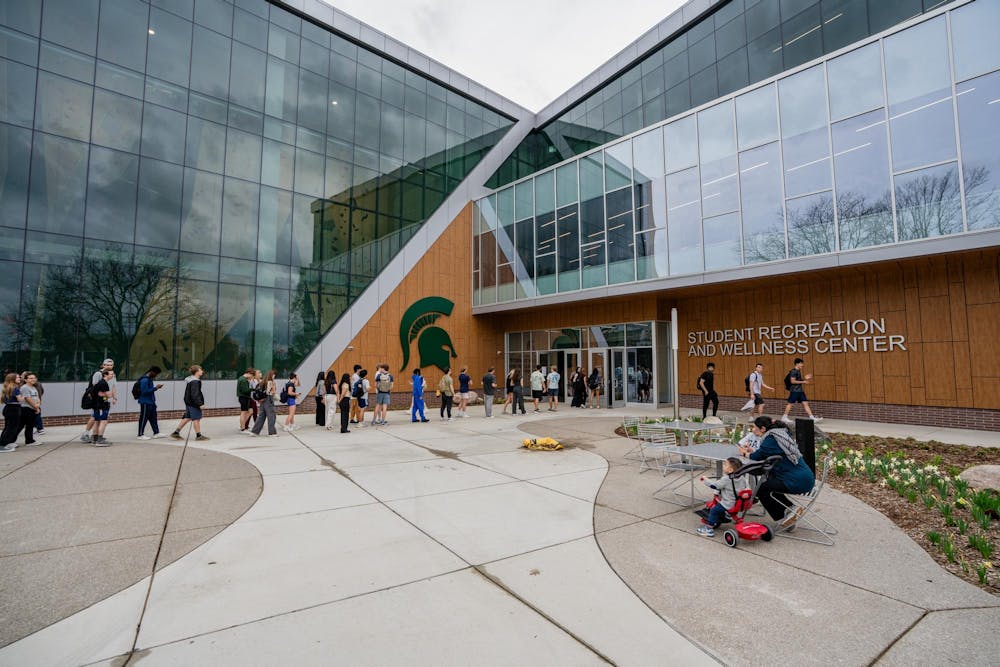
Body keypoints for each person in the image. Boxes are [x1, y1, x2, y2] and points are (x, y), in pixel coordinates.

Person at [739, 416, 815, 528]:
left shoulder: (770, 440)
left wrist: (744, 453)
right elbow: (767, 454)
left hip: (797, 481)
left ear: (763, 429)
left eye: (755, 428)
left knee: (761, 489)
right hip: (806, 477)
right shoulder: (780, 434)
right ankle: (789, 513)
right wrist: (754, 451)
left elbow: (756, 457)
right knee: (769, 484)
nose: (753, 430)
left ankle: (785, 518)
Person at [696, 457, 747, 537]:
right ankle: (728, 515)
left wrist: (705, 480)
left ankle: (709, 529)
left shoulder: (726, 479)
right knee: (721, 506)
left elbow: (715, 485)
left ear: (730, 470)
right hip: (739, 503)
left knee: (714, 510)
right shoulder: (742, 478)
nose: (723, 465)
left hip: (728, 503)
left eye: (725, 464)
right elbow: (746, 487)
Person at [82, 359, 116, 444]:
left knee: (97, 419)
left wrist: (114, 398)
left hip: (104, 399)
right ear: (103, 365)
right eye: (107, 365)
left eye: (110, 365)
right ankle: (86, 434)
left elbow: (113, 387)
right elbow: (95, 388)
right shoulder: (98, 374)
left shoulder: (112, 374)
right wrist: (106, 395)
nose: (109, 366)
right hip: (98, 401)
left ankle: (96, 437)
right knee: (95, 418)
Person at [171, 365, 209, 441]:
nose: (202, 371)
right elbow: (195, 394)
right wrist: (200, 404)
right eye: (200, 370)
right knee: (196, 418)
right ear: (197, 372)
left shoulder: (191, 380)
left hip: (189, 402)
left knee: (187, 417)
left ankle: (176, 432)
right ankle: (199, 436)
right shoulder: (195, 382)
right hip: (193, 403)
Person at [781, 358, 822, 424]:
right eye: (801, 363)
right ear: (797, 364)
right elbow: (793, 381)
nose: (802, 365)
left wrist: (804, 378)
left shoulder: (798, 371)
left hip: (800, 390)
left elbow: (798, 380)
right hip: (795, 390)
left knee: (805, 403)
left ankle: (812, 418)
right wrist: (804, 381)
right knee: (790, 404)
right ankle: (784, 417)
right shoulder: (793, 371)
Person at [247, 369, 279, 437]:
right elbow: (271, 392)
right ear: (272, 375)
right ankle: (272, 433)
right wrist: (274, 388)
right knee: (271, 416)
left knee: (261, 416)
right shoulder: (270, 382)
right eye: (274, 375)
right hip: (269, 400)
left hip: (262, 401)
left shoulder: (262, 382)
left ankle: (254, 432)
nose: (274, 376)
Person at [137, 366, 164, 440]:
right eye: (156, 373)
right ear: (152, 372)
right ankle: (140, 434)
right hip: (145, 402)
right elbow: (144, 391)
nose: (156, 375)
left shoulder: (149, 379)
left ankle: (156, 433)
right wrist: (156, 388)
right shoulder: (144, 380)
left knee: (153, 418)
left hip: (151, 402)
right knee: (143, 418)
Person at [17, 372, 42, 446]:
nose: (33, 379)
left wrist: (37, 406)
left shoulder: (33, 387)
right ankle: (28, 441)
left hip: (33, 408)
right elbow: (28, 399)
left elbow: (38, 398)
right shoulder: (25, 387)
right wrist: (35, 407)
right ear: (25, 380)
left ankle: (29, 440)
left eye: (34, 378)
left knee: (30, 425)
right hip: (26, 409)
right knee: (24, 426)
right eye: (31, 378)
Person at [90, 369, 114, 446]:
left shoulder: (100, 383)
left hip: (96, 405)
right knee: (103, 421)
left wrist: (103, 394)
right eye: (111, 374)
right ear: (105, 375)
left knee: (97, 421)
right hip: (101, 406)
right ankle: (100, 440)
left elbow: (96, 393)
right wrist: (107, 394)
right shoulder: (104, 384)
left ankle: (95, 439)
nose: (112, 375)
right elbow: (110, 395)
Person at [0, 373, 21, 452]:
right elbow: (20, 400)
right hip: (14, 409)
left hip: (8, 408)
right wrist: (24, 397)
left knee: (7, 427)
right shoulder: (15, 388)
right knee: (12, 428)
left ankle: (4, 442)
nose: (19, 378)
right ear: (13, 379)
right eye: (18, 377)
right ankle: (3, 445)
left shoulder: (7, 387)